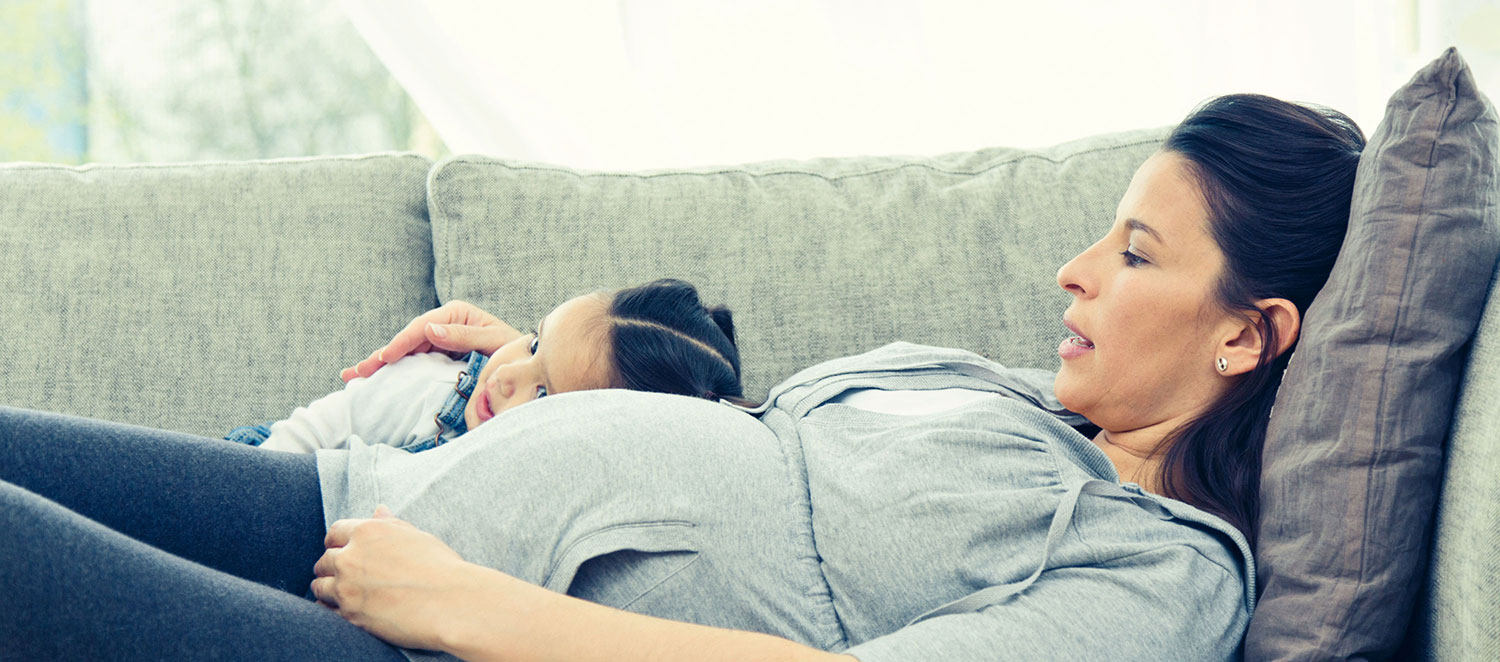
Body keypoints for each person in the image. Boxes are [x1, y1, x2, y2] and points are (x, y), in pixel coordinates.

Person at [0, 93, 1365, 661]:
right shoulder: (1014, 397)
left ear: (1246, 333)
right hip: (371, 498)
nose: (1074, 271)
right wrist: (523, 369)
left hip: (419, 632)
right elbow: (741, 468)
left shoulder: (1165, 578)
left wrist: (479, 606)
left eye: (1133, 254)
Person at [223, 278, 748, 453]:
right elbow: (303, 438)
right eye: (534, 342)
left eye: (543, 395)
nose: (507, 376)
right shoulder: (437, 393)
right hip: (274, 462)